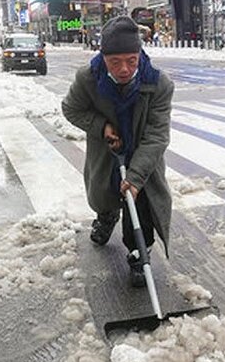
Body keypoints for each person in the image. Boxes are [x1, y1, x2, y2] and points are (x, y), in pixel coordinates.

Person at [62, 17, 175, 287]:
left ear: (139, 55)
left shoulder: (158, 84)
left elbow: (157, 135)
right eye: (115, 62)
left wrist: (136, 178)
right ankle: (107, 215)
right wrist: (102, 127)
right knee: (105, 192)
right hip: (107, 151)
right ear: (103, 57)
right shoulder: (88, 78)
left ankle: (139, 252)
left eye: (131, 60)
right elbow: (71, 109)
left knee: (141, 200)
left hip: (143, 150)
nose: (124, 69)